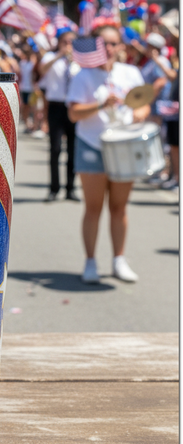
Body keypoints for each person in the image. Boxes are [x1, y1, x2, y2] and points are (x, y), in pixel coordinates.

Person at [67, 28, 150, 284]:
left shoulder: (130, 72)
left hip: (123, 145)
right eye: (105, 43)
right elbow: (74, 113)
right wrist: (102, 105)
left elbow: (143, 101)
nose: (110, 48)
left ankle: (119, 260)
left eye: (114, 43)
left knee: (119, 207)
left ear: (121, 46)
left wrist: (142, 112)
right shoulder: (83, 75)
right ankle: (90, 261)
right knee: (93, 208)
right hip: (92, 144)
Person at [38, 28, 79, 201]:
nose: (68, 45)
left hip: (73, 106)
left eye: (71, 42)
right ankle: (54, 188)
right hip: (56, 106)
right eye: (65, 42)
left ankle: (71, 188)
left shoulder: (79, 61)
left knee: (73, 149)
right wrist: (59, 55)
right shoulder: (50, 57)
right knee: (55, 148)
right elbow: (42, 70)